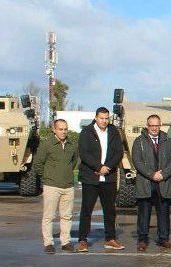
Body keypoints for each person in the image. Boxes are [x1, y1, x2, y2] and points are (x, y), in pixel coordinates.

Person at [77, 107, 124, 252]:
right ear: (96, 118)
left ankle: (110, 239)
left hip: (109, 177)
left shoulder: (114, 131)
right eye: (101, 118)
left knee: (110, 211)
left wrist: (107, 167)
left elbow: (118, 152)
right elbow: (84, 153)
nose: (104, 121)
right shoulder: (87, 132)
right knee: (87, 210)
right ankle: (83, 240)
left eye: (106, 118)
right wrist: (98, 167)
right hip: (90, 177)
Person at [132, 114, 171, 252]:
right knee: (144, 214)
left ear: (160, 125)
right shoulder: (139, 141)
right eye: (151, 125)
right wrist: (151, 174)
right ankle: (142, 240)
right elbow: (137, 161)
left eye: (156, 125)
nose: (154, 128)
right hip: (145, 182)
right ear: (147, 126)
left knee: (163, 213)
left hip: (163, 182)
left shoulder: (167, 140)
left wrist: (163, 174)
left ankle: (164, 239)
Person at [33, 119, 78, 254]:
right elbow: (38, 164)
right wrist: (48, 177)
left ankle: (65, 242)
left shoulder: (72, 145)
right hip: (51, 186)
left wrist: (66, 174)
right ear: (54, 130)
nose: (63, 132)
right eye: (60, 129)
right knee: (49, 216)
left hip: (68, 186)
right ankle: (48, 243)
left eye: (65, 129)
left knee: (67, 216)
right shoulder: (47, 144)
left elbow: (74, 162)